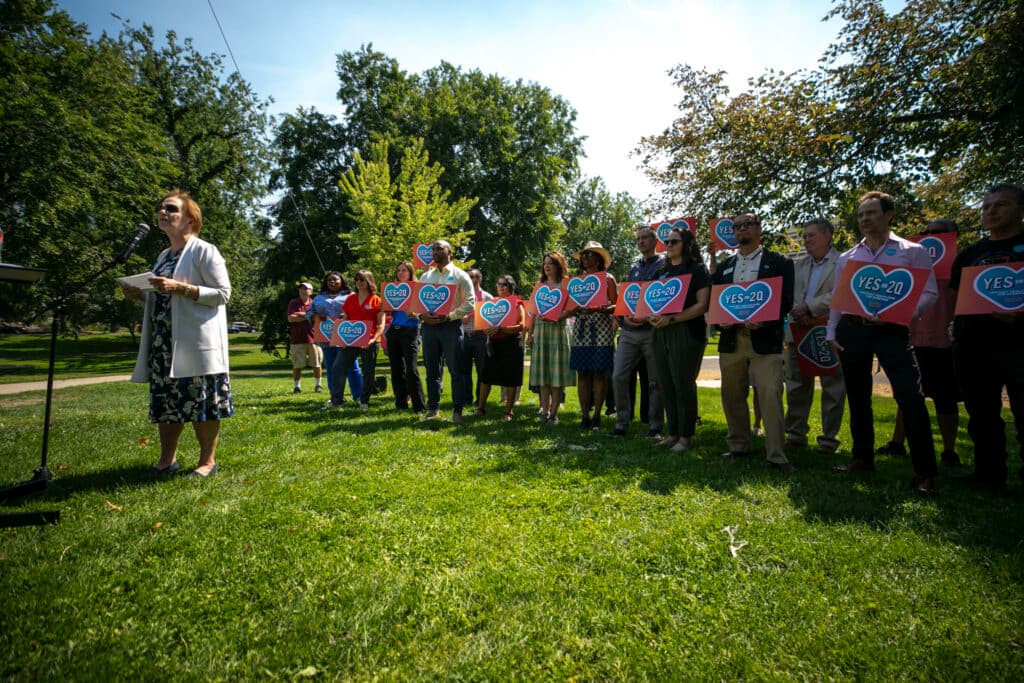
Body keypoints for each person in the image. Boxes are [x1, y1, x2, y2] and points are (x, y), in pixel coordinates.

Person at [827, 191, 939, 494]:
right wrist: (831, 332)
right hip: (853, 331)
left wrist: (902, 312)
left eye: (872, 213)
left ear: (889, 215)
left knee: (910, 397)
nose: (865, 219)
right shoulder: (848, 257)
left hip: (892, 331)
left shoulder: (912, 251)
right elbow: (839, 299)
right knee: (858, 397)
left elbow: (929, 293)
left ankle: (925, 472)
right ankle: (862, 458)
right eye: (861, 215)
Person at [123, 190, 232, 478]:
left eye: (171, 209)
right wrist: (141, 296)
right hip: (164, 344)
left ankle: (207, 462)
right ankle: (166, 460)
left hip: (196, 343)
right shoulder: (163, 256)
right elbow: (165, 299)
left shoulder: (204, 251)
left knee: (201, 403)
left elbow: (223, 294)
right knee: (167, 402)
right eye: (160, 208)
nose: (163, 212)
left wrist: (180, 287)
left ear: (190, 219)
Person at [949, 184, 1024, 490]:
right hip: (973, 346)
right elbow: (956, 297)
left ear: (1020, 210)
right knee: (981, 414)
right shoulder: (970, 254)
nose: (991, 212)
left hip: (1018, 345)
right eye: (986, 207)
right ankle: (988, 472)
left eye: (1000, 205)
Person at [711, 212, 796, 473]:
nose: (741, 230)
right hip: (732, 340)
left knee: (770, 393)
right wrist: (719, 321)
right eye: (737, 227)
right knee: (732, 395)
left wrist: (767, 321)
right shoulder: (725, 266)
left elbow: (785, 301)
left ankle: (776, 455)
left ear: (759, 229)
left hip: (765, 341)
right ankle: (738, 445)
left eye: (747, 225)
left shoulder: (778, 262)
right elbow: (717, 302)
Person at [877, 219, 962, 467]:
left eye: (938, 233)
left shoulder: (957, 264)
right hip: (912, 335)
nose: (930, 236)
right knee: (909, 394)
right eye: (926, 232)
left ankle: (949, 450)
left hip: (944, 338)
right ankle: (897, 442)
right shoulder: (911, 260)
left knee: (946, 398)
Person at [784, 218, 845, 453]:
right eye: (805, 235)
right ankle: (796, 434)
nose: (807, 239)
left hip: (829, 330)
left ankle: (829, 439)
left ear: (827, 236)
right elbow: (791, 294)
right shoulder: (797, 264)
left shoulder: (842, 262)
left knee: (833, 387)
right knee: (797, 385)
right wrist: (800, 312)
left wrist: (811, 308)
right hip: (799, 330)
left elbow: (840, 294)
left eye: (812, 235)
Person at [649, 227, 711, 452]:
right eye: (667, 242)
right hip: (659, 333)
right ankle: (672, 432)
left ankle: (685, 436)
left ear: (686, 244)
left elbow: (702, 305)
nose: (669, 245)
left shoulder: (697, 270)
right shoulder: (661, 272)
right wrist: (652, 317)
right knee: (665, 382)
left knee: (683, 383)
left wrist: (672, 319)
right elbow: (649, 303)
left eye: (674, 241)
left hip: (686, 332)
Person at [612, 225, 665, 437]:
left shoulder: (664, 266)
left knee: (655, 380)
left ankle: (655, 424)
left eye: (645, 238)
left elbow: (664, 297)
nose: (641, 242)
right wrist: (623, 317)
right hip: (628, 331)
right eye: (638, 239)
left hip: (652, 330)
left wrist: (646, 317)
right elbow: (626, 297)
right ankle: (622, 421)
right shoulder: (634, 269)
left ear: (654, 241)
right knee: (618, 376)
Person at [417, 240, 475, 422]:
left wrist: (449, 316)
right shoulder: (425, 277)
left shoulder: (460, 276)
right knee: (432, 370)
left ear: (450, 252)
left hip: (450, 327)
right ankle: (433, 410)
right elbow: (415, 305)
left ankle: (457, 411)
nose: (435, 251)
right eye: (433, 249)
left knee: (456, 370)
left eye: (439, 248)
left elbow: (470, 303)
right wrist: (422, 317)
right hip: (429, 328)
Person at [569, 241, 618, 431]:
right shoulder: (577, 281)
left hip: (602, 328)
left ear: (599, 258)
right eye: (584, 255)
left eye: (590, 254)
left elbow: (617, 306)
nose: (586, 258)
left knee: (599, 372)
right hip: (581, 328)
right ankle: (584, 415)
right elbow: (569, 307)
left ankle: (597, 415)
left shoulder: (608, 279)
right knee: (582, 372)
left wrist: (601, 308)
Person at [527, 251, 575, 425]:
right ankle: (544, 411)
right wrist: (530, 333)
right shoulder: (539, 285)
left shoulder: (566, 285)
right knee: (543, 376)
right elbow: (532, 311)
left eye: (551, 263)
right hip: (540, 331)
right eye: (545, 263)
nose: (547, 266)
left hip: (558, 331)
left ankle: (554, 415)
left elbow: (572, 309)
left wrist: (556, 317)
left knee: (556, 377)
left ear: (558, 265)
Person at [475, 274, 526, 420]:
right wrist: (486, 328)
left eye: (504, 284)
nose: (501, 287)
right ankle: (480, 408)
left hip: (512, 343)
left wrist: (501, 329)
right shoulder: (492, 303)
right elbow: (483, 324)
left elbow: (521, 325)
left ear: (511, 287)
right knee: (486, 377)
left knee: (511, 378)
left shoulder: (517, 302)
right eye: (499, 284)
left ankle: (508, 412)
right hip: (493, 344)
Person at [308, 272, 362, 407]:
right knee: (332, 368)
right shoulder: (318, 298)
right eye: (329, 280)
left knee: (352, 367)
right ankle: (336, 398)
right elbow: (309, 312)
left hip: (347, 336)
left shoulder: (351, 296)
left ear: (342, 281)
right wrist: (316, 316)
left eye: (335, 280)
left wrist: (348, 314)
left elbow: (360, 311)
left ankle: (359, 396)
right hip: (326, 337)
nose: (332, 282)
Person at [337, 269, 385, 409]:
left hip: (370, 341)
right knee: (338, 367)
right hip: (350, 341)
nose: (359, 282)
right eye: (357, 279)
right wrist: (342, 339)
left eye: (362, 279)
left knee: (368, 372)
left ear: (369, 281)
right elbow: (345, 320)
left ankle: (364, 401)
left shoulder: (377, 300)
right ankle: (337, 400)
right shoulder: (350, 299)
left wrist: (373, 339)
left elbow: (381, 324)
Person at [384, 261, 425, 413]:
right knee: (396, 369)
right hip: (394, 331)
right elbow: (389, 313)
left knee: (411, 369)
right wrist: (387, 308)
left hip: (410, 331)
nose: (401, 273)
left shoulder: (417, 288)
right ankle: (401, 403)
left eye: (404, 270)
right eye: (399, 270)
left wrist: (414, 314)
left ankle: (419, 406)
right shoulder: (392, 289)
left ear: (410, 272)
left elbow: (423, 313)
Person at [462, 268, 494, 407]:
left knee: (482, 370)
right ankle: (466, 399)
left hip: (480, 336)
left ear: (480, 278)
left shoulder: (487, 297)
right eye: (469, 277)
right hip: (463, 336)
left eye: (474, 276)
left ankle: (479, 400)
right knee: (464, 371)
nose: (472, 279)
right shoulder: (461, 296)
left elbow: (493, 317)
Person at [286, 282, 323, 394]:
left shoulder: (315, 303)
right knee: (297, 365)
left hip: (315, 338)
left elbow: (318, 317)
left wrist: (301, 314)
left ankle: (318, 385)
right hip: (297, 339)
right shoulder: (294, 302)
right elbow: (291, 319)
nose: (303, 290)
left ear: (311, 291)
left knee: (317, 364)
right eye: (301, 288)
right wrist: (308, 316)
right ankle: (297, 387)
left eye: (306, 289)